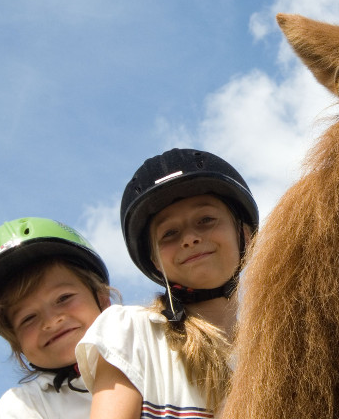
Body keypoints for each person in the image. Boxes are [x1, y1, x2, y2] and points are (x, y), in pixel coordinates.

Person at [76, 148, 258, 419]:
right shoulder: (132, 333)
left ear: (242, 233)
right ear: (155, 261)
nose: (190, 238)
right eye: (169, 233)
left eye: (206, 220)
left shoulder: (277, 350)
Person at [0, 217, 115, 418]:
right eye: (28, 318)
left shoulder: (153, 350)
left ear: (102, 299)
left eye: (63, 298)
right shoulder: (27, 405)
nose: (51, 322)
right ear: (17, 343)